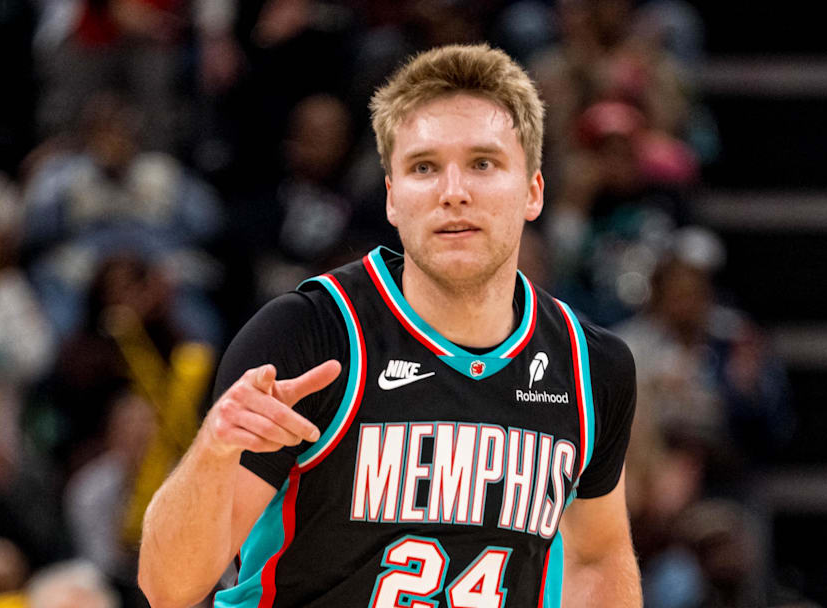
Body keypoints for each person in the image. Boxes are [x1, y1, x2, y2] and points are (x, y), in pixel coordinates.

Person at [138, 44, 642, 607]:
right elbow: (169, 589)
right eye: (424, 168)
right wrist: (213, 449)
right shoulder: (310, 336)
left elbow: (597, 557)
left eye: (483, 163)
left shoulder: (590, 366)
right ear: (392, 198)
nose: (454, 192)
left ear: (532, 191)